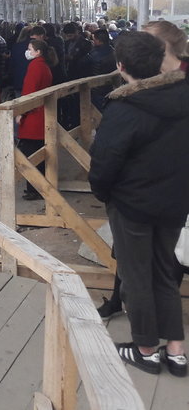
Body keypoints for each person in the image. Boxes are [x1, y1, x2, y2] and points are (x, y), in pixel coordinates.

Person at [88, 31, 189, 377]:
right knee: (164, 270)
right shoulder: (183, 94)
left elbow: (104, 163)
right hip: (175, 203)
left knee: (135, 277)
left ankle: (145, 350)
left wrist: (103, 194)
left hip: (133, 206)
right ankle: (176, 353)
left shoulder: (124, 108)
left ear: (121, 66)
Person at [18, 38, 54, 200]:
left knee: (30, 156)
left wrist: (20, 113)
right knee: (37, 154)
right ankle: (39, 188)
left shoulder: (35, 67)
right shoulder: (44, 66)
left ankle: (35, 189)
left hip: (33, 117)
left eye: (30, 49)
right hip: (41, 115)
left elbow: (29, 93)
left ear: (38, 52)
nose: (28, 52)